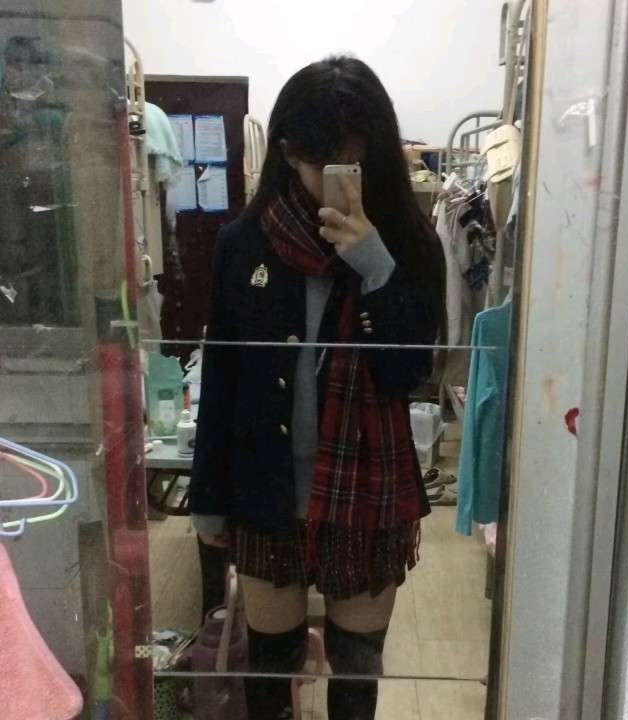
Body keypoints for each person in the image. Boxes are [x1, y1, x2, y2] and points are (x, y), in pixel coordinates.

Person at [189, 55, 446, 720]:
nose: (335, 175)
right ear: (287, 153)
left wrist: (375, 266)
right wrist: (207, 499)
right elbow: (222, 377)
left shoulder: (410, 245)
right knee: (269, 677)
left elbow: (409, 374)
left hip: (367, 492)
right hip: (265, 488)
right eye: (319, 161)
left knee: (355, 678)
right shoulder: (244, 244)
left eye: (352, 161)